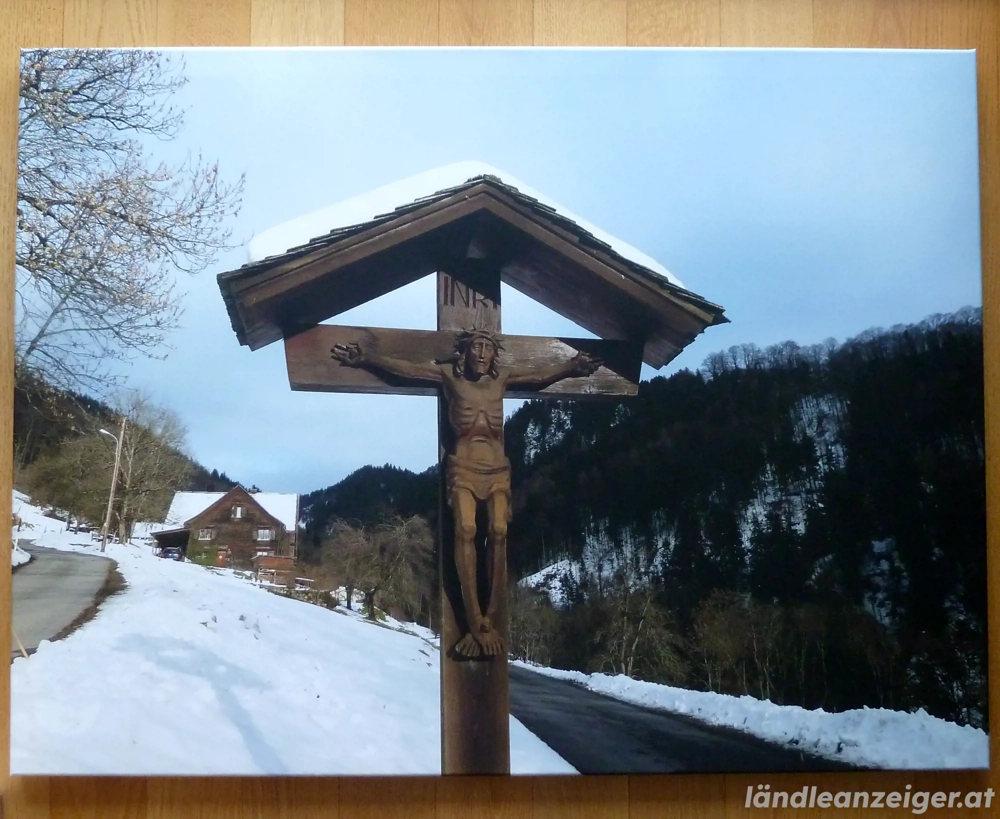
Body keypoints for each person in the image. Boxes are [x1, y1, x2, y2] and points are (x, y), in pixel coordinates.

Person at [332, 328, 600, 657]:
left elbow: (539, 376)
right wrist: (370, 358)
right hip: (463, 467)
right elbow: (409, 369)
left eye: (488, 347)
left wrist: (571, 366)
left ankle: (490, 614)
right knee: (466, 529)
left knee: (499, 530)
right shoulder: (449, 377)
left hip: (497, 468)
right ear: (465, 352)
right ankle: (473, 616)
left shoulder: (502, 380)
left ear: (494, 354)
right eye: (477, 346)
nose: (482, 353)